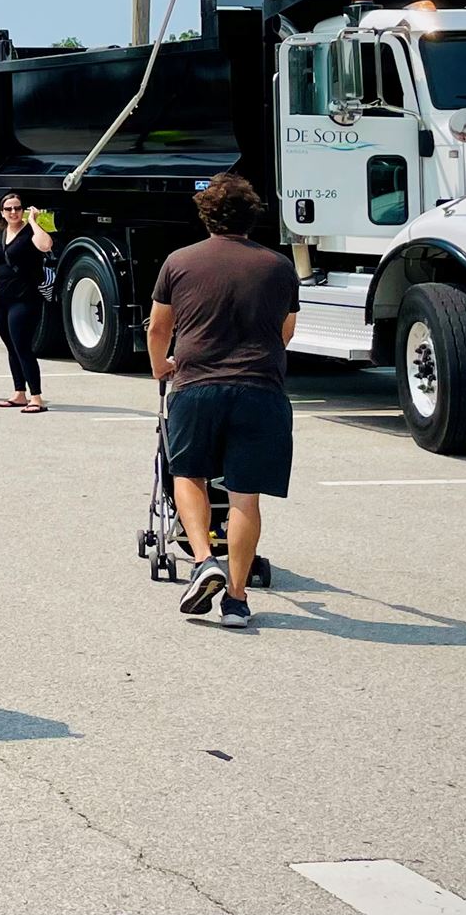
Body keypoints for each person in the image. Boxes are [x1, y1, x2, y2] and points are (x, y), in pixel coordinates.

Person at [146, 174, 300, 630]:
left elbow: (158, 330)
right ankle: (236, 599)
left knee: (188, 475)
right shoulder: (278, 267)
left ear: (206, 215)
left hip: (197, 386)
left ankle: (202, 560)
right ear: (252, 217)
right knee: (244, 496)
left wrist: (161, 366)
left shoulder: (179, 262)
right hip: (261, 390)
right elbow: (286, 332)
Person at [0, 191, 54, 413]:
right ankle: (19, 393)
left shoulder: (30, 232)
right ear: (2, 213)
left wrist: (33, 221)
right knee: (11, 347)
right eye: (9, 209)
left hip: (24, 298)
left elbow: (46, 245)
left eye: (17, 208)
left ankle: (36, 398)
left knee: (22, 346)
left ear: (23, 210)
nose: (13, 212)